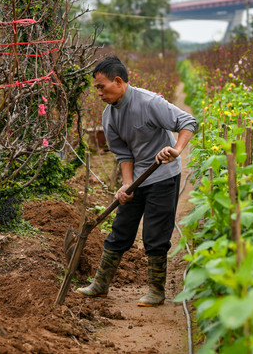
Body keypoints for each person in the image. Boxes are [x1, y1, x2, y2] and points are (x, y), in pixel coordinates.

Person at [76, 56, 197, 306]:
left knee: (155, 234)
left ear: (118, 81)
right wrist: (127, 184)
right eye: (96, 88)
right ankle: (100, 284)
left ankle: (156, 290)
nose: (98, 93)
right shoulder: (109, 116)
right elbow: (123, 154)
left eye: (101, 86)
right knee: (121, 230)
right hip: (137, 178)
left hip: (163, 176)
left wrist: (176, 149)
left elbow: (188, 122)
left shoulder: (149, 102)